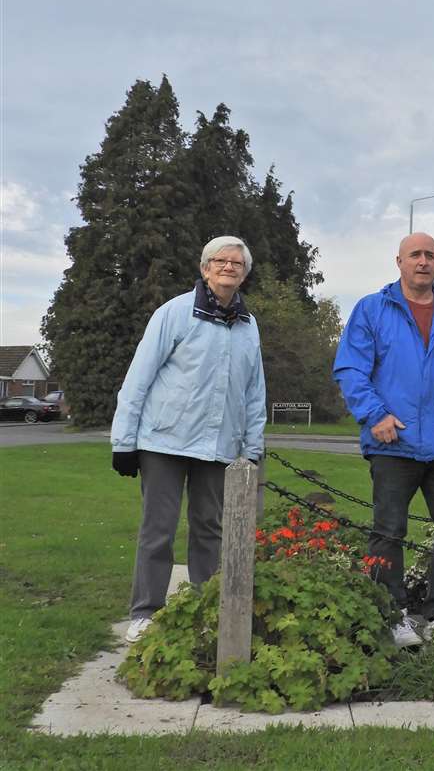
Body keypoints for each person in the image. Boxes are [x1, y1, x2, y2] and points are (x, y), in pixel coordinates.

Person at [334, 233, 434, 648]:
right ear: (399, 262)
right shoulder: (372, 310)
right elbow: (351, 369)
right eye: (415, 255)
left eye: (430, 256)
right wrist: (374, 415)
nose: (422, 262)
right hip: (392, 443)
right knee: (389, 529)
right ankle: (392, 613)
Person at [111, 236, 267, 644]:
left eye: (236, 263)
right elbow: (139, 376)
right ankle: (145, 611)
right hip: (164, 442)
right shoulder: (176, 313)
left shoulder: (249, 326)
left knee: (210, 530)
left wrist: (252, 447)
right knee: (157, 530)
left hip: (218, 446)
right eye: (220, 261)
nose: (228, 268)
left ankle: (207, 609)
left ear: (245, 273)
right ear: (204, 268)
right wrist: (124, 441)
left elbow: (254, 391)